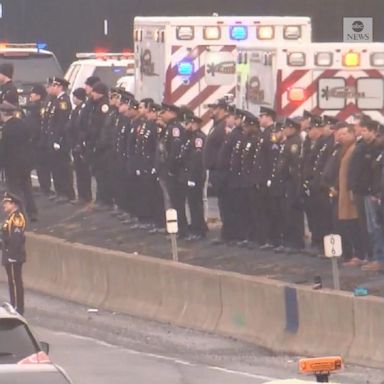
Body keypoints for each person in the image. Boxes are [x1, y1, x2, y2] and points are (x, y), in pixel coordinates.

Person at [0, 102, 38, 222]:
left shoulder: (6, 129)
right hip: (25, 163)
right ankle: (32, 212)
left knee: (14, 191)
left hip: (12, 164)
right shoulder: (22, 124)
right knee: (27, 188)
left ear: (3, 113)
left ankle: (18, 215)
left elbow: (4, 149)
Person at [43, 77, 75, 203]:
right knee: (55, 166)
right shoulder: (54, 100)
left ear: (60, 87)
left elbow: (62, 123)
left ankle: (67, 192)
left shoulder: (63, 101)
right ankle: (59, 191)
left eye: (55, 85)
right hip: (53, 138)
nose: (52, 87)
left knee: (63, 167)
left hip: (61, 140)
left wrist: (58, 139)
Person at [1, 192, 27, 315]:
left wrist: (12, 255)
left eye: (6, 202)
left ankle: (18, 308)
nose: (3, 205)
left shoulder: (17, 217)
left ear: (13, 203)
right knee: (11, 281)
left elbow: (16, 238)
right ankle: (13, 305)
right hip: (8, 254)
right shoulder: (10, 217)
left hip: (14, 255)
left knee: (16, 281)